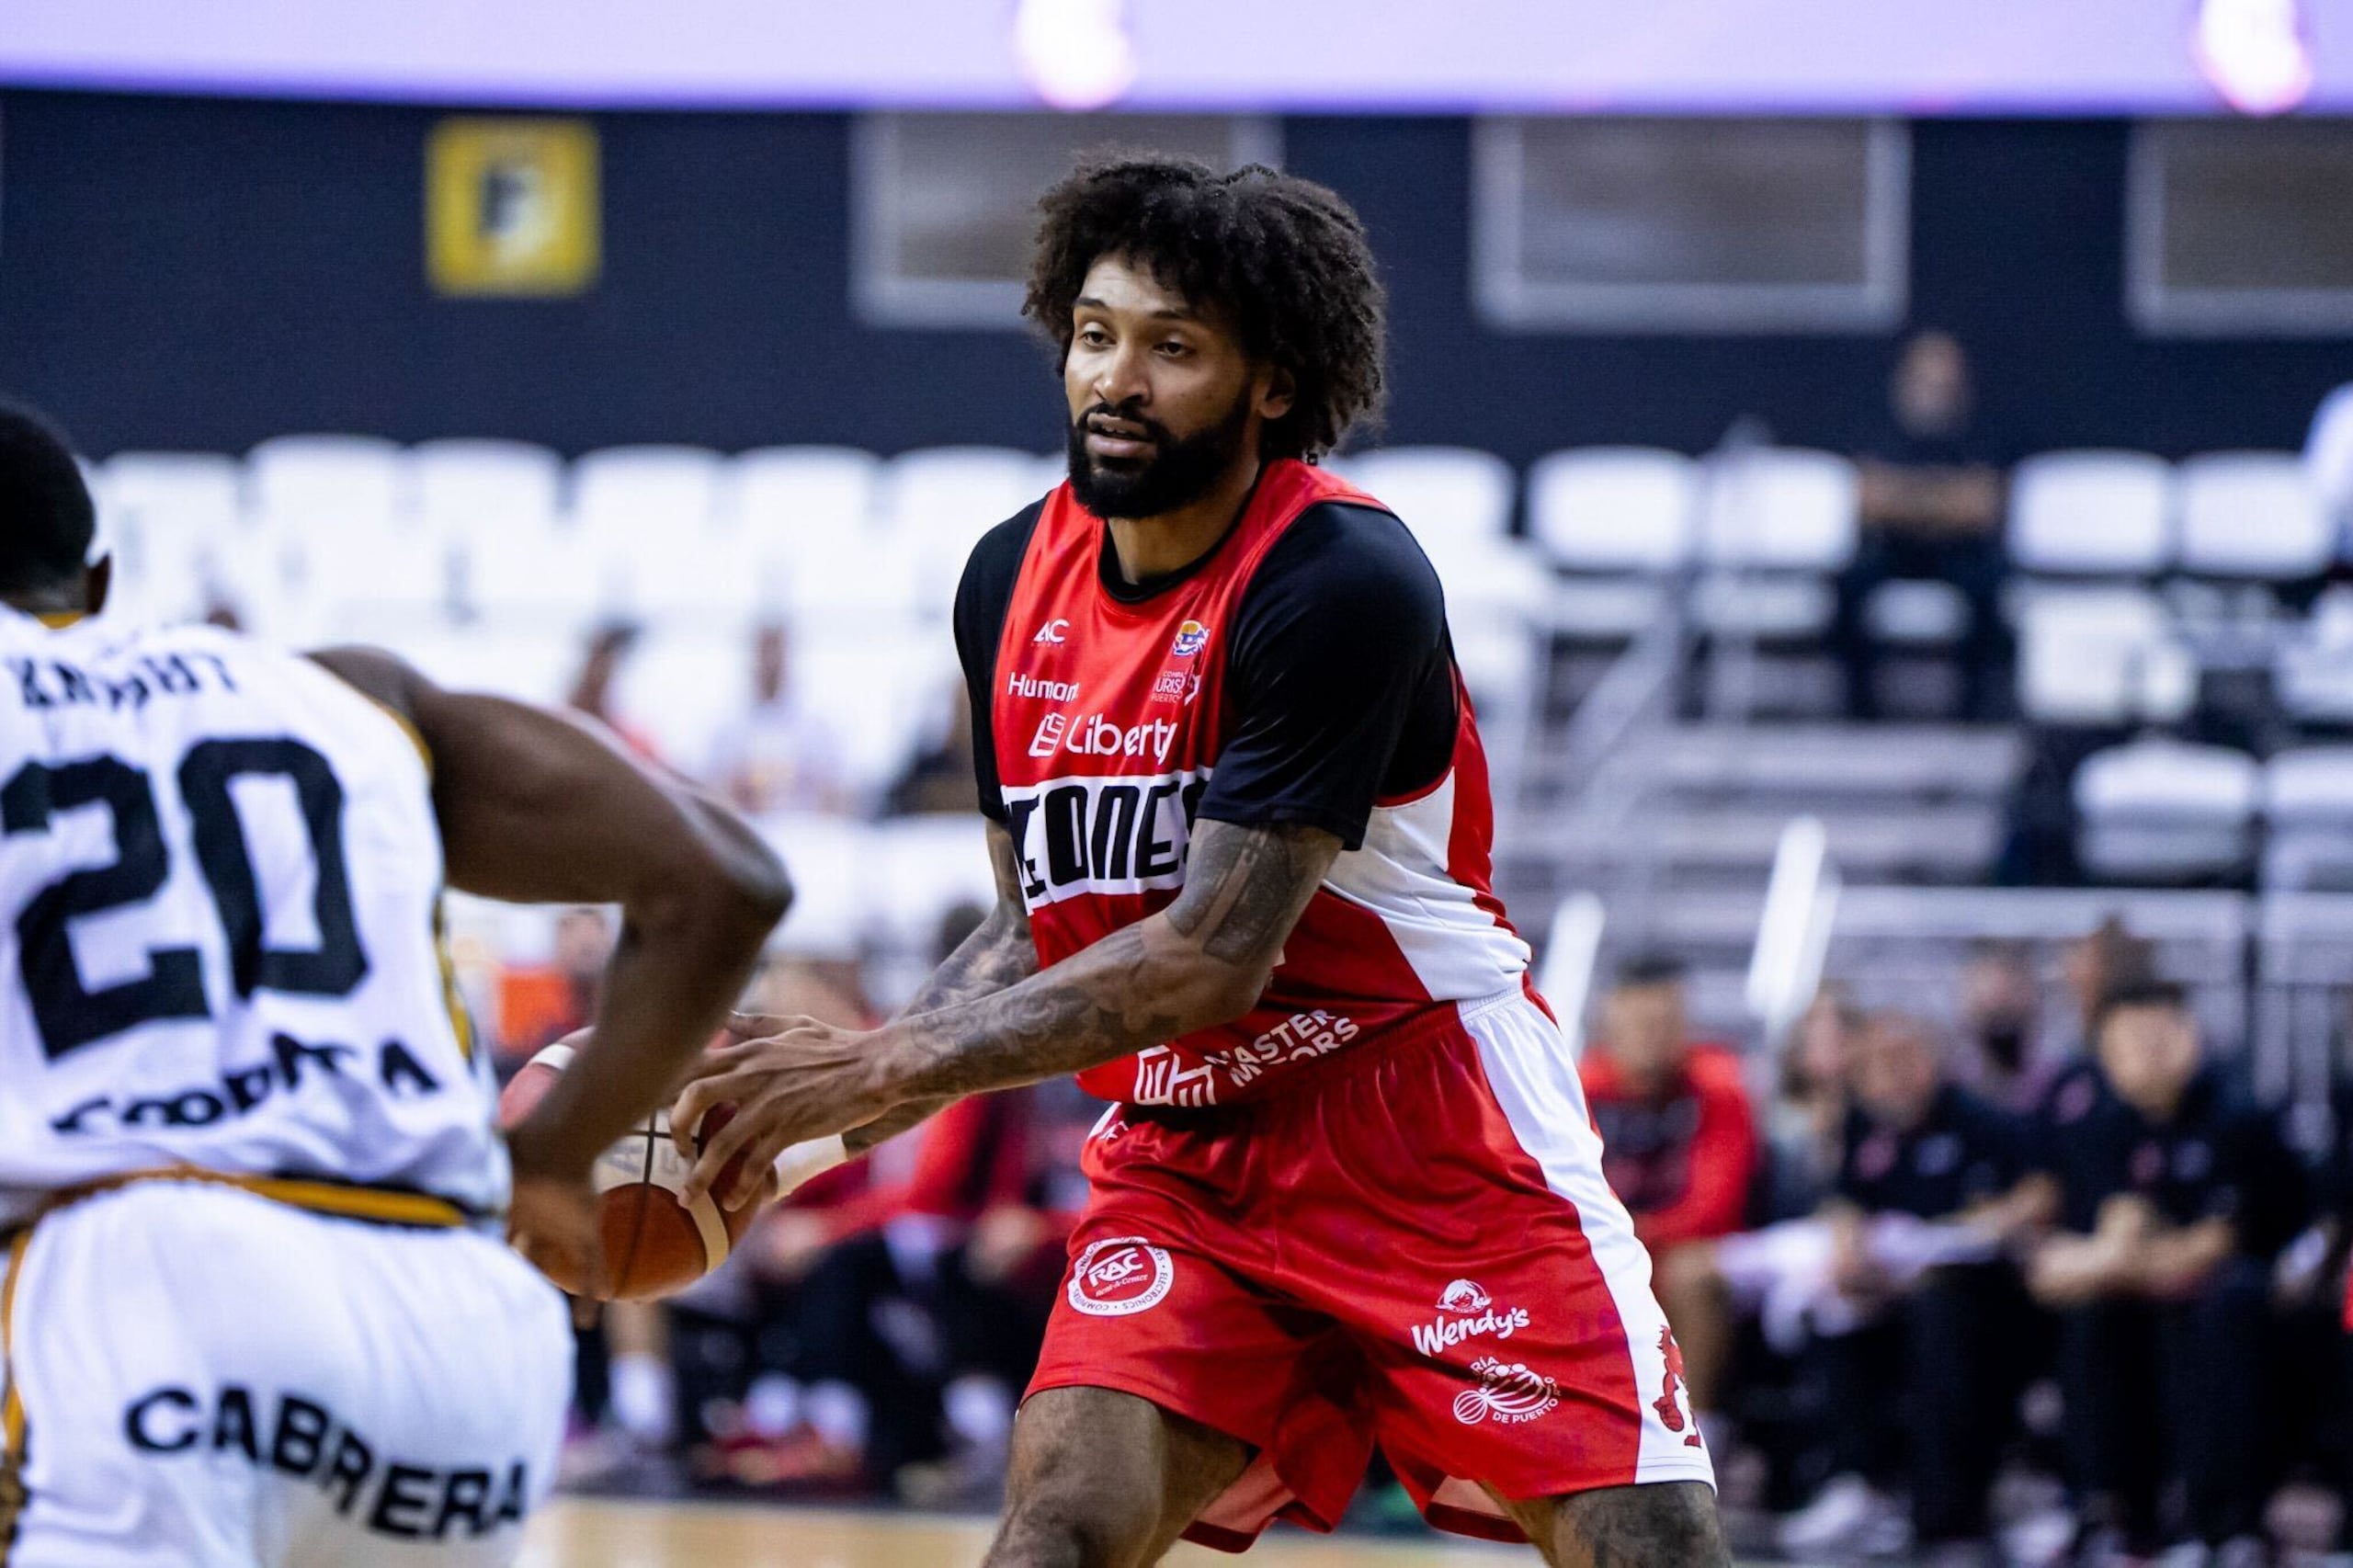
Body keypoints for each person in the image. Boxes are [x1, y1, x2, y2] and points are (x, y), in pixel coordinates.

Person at [672, 156, 1728, 1565]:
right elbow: (1030, 928)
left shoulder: (1338, 578)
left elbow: (1209, 956)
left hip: (1430, 1125)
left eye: (1172, 347)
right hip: (1190, 1154)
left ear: (1273, 383)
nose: (1116, 379)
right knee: (1055, 1528)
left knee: (1651, 1549)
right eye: (1094, 334)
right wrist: (800, 1131)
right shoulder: (1006, 581)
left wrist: (876, 1066)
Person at [0, 403, 790, 1562]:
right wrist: (551, 1160)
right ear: (103, 579)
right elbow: (728, 881)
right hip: (454, 1330)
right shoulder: (350, 693)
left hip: (152, 1292)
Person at [2029, 982, 2307, 1563]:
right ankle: (2115, 1515)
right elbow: (2065, 1254)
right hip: (2140, 1291)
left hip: (2252, 1297)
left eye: (2157, 1038)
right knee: (2092, 1320)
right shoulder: (2102, 1128)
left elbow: (2215, 1244)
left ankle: (2228, 1525)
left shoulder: (2236, 1116)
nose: (2144, 1055)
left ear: (2189, 1035)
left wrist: (2119, 1260)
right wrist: (2118, 1261)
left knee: (2222, 1307)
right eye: (2127, 1044)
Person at [1776, 1013, 2038, 1564]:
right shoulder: (1862, 1125)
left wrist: (1990, 1222)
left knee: (1941, 1314)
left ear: (1932, 1060)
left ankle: (1946, 1511)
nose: (1890, 1075)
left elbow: (2038, 1193)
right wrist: (1849, 1243)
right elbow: (1845, 1200)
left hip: (1974, 1290)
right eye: (1875, 1064)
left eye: (1902, 1059)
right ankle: (1859, 1484)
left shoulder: (1981, 1120)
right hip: (1889, 1283)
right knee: (1832, 1304)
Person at [1828, 330, 2011, 722]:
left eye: (1943, 383)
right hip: (1894, 548)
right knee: (1848, 580)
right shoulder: (1878, 428)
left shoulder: (1978, 431)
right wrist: (1941, 498)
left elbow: (1979, 507)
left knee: (1990, 582)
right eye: (1925, 381)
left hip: (1956, 550)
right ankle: (1859, 709)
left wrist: (1906, 497)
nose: (1934, 391)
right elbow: (1869, 501)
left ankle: (1974, 710)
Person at [1579, 956, 1759, 1343]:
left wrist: (1638, 1235)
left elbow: (1715, 1206)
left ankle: (1694, 1387)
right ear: (1612, 1025)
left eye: (1665, 1023)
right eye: (1641, 1024)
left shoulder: (1717, 1089)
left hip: (1689, 1247)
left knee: (1690, 1272)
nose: (1652, 1037)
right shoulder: (1579, 1090)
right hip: (1603, 1242)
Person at [706, 623, 856, 816]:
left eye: (777, 652)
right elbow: (713, 794)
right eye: (764, 652)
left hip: (805, 827)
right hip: (745, 826)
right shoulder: (727, 731)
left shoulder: (818, 730)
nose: (771, 662)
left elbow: (838, 794)